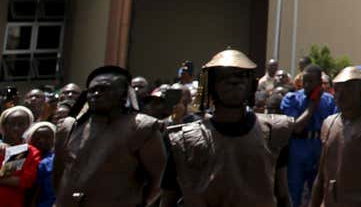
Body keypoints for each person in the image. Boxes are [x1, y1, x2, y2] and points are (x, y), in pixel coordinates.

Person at [159, 48, 295, 207]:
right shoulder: (183, 139)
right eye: (225, 77)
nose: (234, 82)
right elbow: (167, 200)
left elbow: (283, 195)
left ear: (252, 84)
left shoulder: (274, 132)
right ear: (211, 84)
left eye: (241, 76)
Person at [54, 66, 165, 206]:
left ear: (123, 95)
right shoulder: (68, 127)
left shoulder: (142, 127)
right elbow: (59, 175)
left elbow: (158, 180)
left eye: (103, 89)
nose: (96, 94)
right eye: (92, 90)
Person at [308, 67, 361, 207]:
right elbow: (322, 174)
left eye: (347, 91)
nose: (340, 96)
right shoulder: (329, 123)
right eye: (337, 90)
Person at [281, 64, 338, 207]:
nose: (306, 85)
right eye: (304, 81)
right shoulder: (292, 98)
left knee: (318, 190)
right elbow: (297, 128)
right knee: (295, 190)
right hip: (299, 147)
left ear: (320, 82)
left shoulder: (329, 100)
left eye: (311, 81)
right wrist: (312, 104)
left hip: (319, 147)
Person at [0, 106, 38, 207]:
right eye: (12, 124)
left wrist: (16, 151)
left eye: (21, 124)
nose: (16, 128)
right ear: (3, 125)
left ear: (28, 127)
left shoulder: (31, 152)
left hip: (12, 202)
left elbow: (25, 181)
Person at [26, 122, 54, 207]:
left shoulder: (52, 161)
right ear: (30, 139)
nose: (42, 141)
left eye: (47, 137)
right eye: (37, 137)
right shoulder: (21, 157)